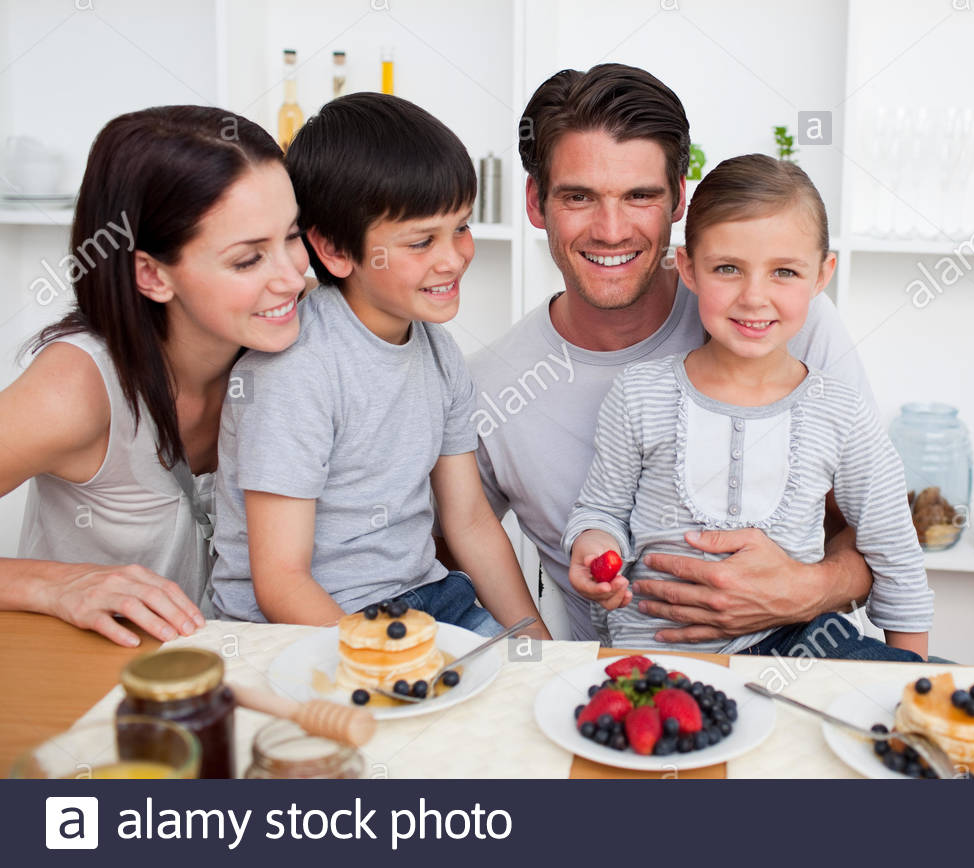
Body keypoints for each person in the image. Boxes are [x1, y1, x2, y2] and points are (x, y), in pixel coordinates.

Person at [469, 63, 903, 655]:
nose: (611, 229)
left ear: (679, 200)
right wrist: (539, 661)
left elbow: (882, 527)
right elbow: (456, 547)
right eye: (579, 197)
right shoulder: (492, 387)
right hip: (632, 683)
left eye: (640, 196)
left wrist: (807, 590)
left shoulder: (774, 320)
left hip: (799, 665)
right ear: (536, 202)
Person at [563, 155, 932, 659]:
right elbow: (601, 509)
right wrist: (594, 547)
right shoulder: (639, 393)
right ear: (689, 267)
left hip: (803, 647)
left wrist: (910, 678)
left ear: (822, 274)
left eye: (784, 271)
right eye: (728, 269)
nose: (754, 298)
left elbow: (895, 553)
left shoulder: (840, 412)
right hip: (657, 654)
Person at [210, 93, 549, 641]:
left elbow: (470, 522)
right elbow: (280, 583)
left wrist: (538, 648)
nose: (453, 257)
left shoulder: (438, 351)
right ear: (335, 250)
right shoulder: (296, 370)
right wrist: (387, 665)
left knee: (520, 699)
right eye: (422, 241)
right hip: (292, 625)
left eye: (460, 227)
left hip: (428, 601)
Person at [0, 106, 305, 646]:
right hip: (84, 689)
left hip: (227, 683)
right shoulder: (76, 389)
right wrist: (54, 585)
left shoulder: (285, 353)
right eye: (247, 260)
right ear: (151, 274)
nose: (292, 278)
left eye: (293, 235)